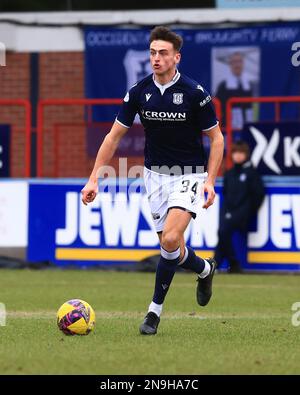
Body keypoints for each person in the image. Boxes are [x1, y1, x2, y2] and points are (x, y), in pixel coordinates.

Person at [81, 26, 224, 335]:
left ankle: (153, 313)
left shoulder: (194, 93)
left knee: (171, 240)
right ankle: (204, 268)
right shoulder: (138, 92)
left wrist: (210, 181)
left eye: (162, 53)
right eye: (152, 53)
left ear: (176, 57)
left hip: (189, 176)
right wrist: (94, 178)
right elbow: (113, 136)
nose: (156, 59)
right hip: (153, 177)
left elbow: (217, 139)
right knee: (170, 247)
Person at [214, 140, 265, 273]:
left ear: (246, 155)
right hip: (229, 212)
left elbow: (258, 194)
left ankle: (221, 263)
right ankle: (224, 264)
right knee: (222, 232)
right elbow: (226, 193)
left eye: (241, 153)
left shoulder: (251, 173)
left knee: (223, 232)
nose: (237, 155)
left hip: (243, 213)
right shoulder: (229, 174)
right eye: (235, 152)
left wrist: (249, 211)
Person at [215, 51, 256, 129]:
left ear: (243, 64)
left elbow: (250, 107)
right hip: (229, 127)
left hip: (246, 126)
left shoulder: (248, 85)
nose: (237, 65)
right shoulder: (223, 85)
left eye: (239, 61)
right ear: (230, 65)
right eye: (234, 62)